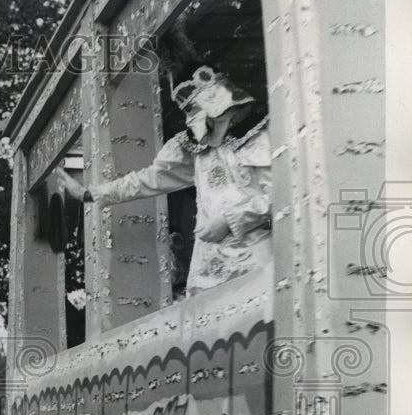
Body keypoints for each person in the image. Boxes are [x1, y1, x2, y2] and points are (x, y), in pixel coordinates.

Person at [54, 65, 272, 295]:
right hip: (209, 277)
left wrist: (229, 220)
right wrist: (89, 193)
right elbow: (145, 180)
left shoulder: (262, 137)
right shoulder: (196, 154)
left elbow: (284, 197)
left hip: (257, 264)